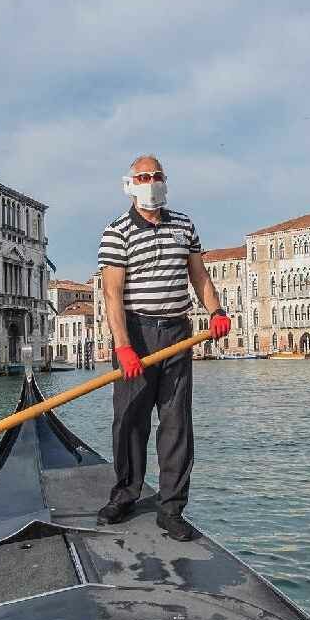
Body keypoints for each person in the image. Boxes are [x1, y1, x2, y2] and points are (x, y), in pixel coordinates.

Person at [95, 154, 229, 541]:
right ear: (130, 184)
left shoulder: (185, 226)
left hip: (178, 334)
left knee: (176, 423)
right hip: (135, 333)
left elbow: (199, 275)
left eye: (156, 175)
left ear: (165, 181)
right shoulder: (116, 230)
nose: (150, 181)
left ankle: (171, 508)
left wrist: (216, 310)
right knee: (129, 420)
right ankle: (125, 495)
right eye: (143, 176)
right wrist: (123, 347)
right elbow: (111, 293)